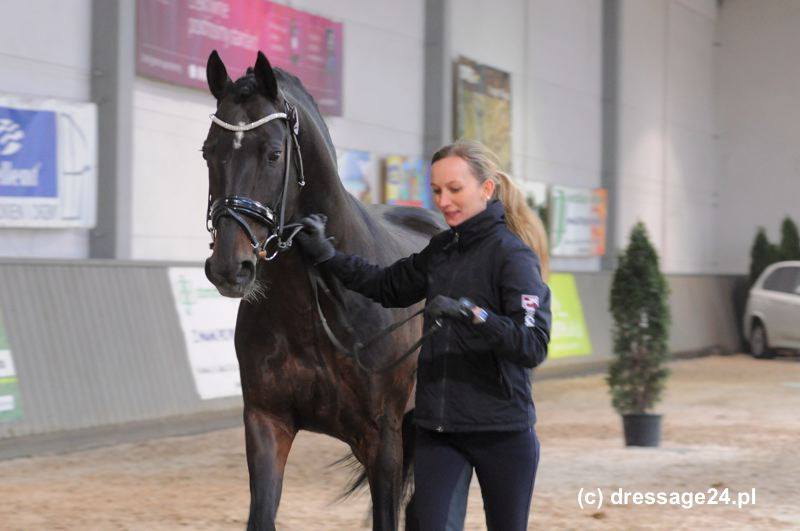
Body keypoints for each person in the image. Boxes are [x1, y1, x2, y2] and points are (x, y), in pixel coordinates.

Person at [295, 139, 551, 531]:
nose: (444, 201)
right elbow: (386, 285)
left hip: (501, 433)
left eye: (454, 189)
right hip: (439, 430)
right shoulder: (442, 248)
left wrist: (475, 315)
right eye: (437, 191)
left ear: (486, 188)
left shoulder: (513, 257)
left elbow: (532, 345)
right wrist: (329, 255)